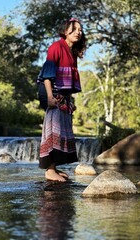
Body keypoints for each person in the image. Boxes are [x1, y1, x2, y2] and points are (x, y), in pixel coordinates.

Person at [37, 18, 86, 182]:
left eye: (80, 29)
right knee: (54, 127)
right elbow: (47, 76)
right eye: (75, 29)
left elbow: (69, 81)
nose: (78, 32)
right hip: (50, 91)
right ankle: (49, 170)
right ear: (66, 31)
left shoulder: (72, 53)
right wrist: (50, 97)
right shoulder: (56, 47)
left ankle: (54, 167)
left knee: (64, 127)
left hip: (63, 95)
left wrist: (70, 101)